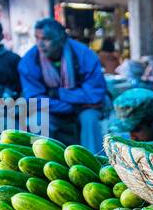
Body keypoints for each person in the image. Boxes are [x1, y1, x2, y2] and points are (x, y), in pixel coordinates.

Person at [19, 17, 107, 151]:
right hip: (57, 110)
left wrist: (57, 93)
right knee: (37, 120)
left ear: (61, 40)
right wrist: (74, 104)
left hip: (84, 110)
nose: (40, 44)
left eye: (46, 39)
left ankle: (95, 163)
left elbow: (94, 95)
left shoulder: (85, 55)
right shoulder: (29, 61)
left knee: (90, 119)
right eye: (37, 38)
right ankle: (38, 163)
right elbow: (34, 101)